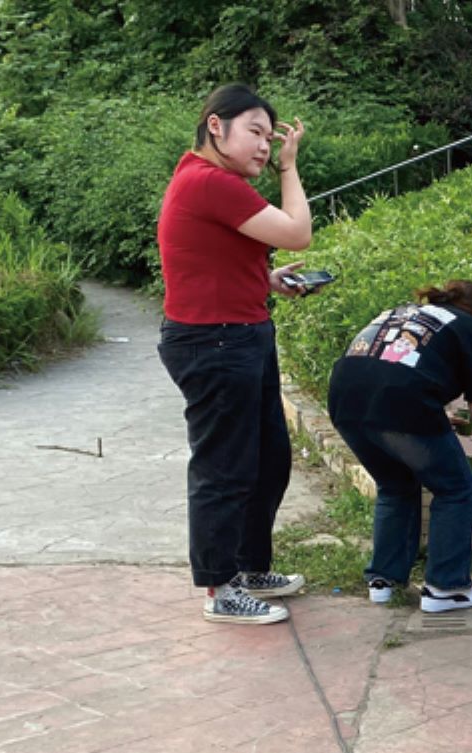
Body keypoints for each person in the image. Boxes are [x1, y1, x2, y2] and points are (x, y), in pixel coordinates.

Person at [156, 84, 314, 626]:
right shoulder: (210, 181)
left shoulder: (209, 182)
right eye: (256, 132)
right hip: (215, 342)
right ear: (215, 126)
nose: (266, 147)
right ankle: (220, 588)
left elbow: (204, 258)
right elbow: (297, 233)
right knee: (223, 469)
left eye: (272, 139)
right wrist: (289, 169)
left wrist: (263, 279)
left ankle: (247, 567)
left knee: (267, 461)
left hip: (241, 333)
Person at [327, 280, 472, 612]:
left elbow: (393, 368)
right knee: (455, 488)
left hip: (345, 402)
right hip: (403, 406)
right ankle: (446, 588)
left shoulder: (405, 313)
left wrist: (434, 410)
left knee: (395, 486)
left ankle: (384, 580)